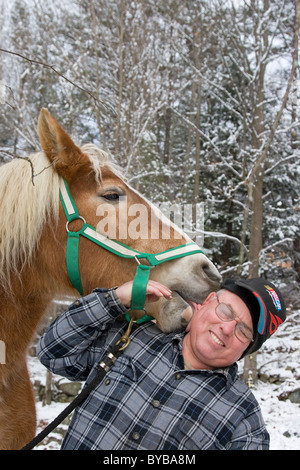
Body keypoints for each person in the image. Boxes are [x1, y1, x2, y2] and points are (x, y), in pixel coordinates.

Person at [37, 277, 286, 450]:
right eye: (226, 312)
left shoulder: (245, 420)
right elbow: (53, 352)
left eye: (243, 331)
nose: (228, 328)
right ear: (207, 301)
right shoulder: (132, 336)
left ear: (247, 349)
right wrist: (114, 300)